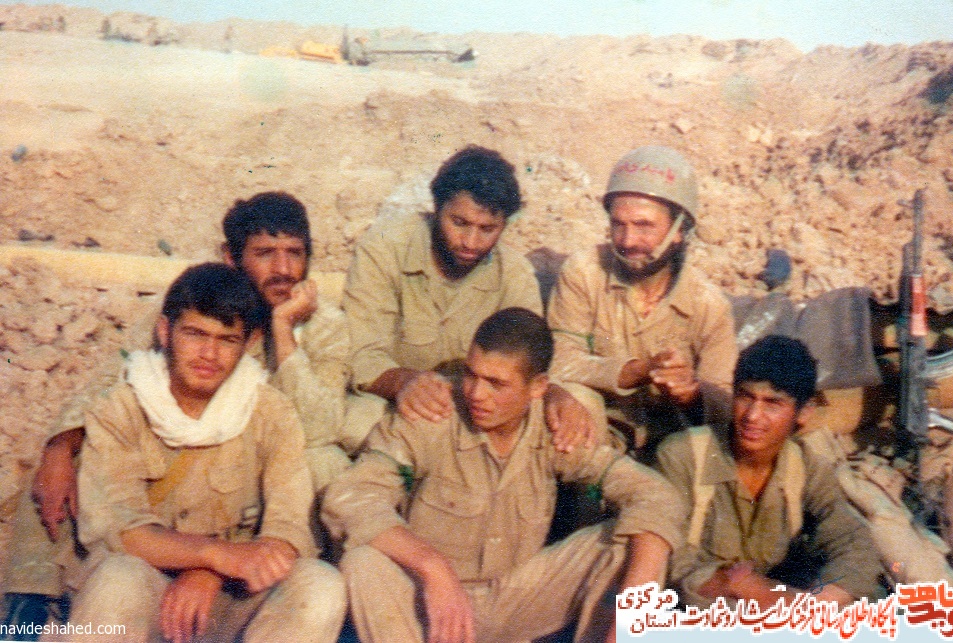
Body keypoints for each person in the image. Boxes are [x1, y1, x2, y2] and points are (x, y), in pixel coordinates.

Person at [2, 192, 354, 634]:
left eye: (294, 254)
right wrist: (59, 446)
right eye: (265, 253)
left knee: (322, 472)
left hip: (249, 512)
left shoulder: (320, 328)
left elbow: (315, 433)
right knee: (67, 460)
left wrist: (283, 330)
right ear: (232, 258)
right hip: (164, 531)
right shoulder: (182, 305)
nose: (283, 269)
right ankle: (30, 606)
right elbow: (112, 380)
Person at [323, 308, 683, 642]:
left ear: (538, 388)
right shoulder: (433, 410)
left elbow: (656, 494)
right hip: (428, 605)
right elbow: (349, 497)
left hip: (515, 600)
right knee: (364, 562)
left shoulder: (554, 426)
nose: (476, 394)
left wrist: (632, 618)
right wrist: (433, 567)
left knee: (628, 543)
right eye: (471, 374)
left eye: (496, 383)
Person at [65, 263, 345, 643]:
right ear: (165, 332)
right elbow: (121, 531)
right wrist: (211, 555)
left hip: (233, 594)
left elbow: (289, 529)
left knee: (320, 584)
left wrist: (210, 572)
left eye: (227, 340)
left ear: (248, 344)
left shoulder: (271, 411)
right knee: (118, 578)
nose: (209, 353)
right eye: (195, 334)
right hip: (150, 589)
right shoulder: (121, 409)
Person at [343, 144, 594, 449]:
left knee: (570, 416)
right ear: (437, 208)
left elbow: (530, 360)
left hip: (477, 407)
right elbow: (362, 353)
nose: (471, 242)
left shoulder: (514, 274)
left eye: (487, 229)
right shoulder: (384, 249)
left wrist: (556, 395)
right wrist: (403, 381)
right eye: (459, 223)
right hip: (397, 400)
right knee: (360, 423)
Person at [656, 335, 884, 608]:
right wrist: (733, 584)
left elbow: (851, 541)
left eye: (772, 404)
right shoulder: (683, 456)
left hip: (782, 605)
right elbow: (667, 559)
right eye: (746, 397)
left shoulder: (807, 467)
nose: (752, 416)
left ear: (803, 413)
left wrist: (807, 604)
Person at [547, 145, 738, 464]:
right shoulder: (584, 273)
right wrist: (636, 371)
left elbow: (728, 406)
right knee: (573, 400)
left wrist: (692, 393)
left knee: (707, 451)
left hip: (672, 444)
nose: (627, 240)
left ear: (679, 231)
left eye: (644, 226)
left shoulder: (708, 305)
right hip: (601, 433)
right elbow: (559, 360)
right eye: (618, 224)